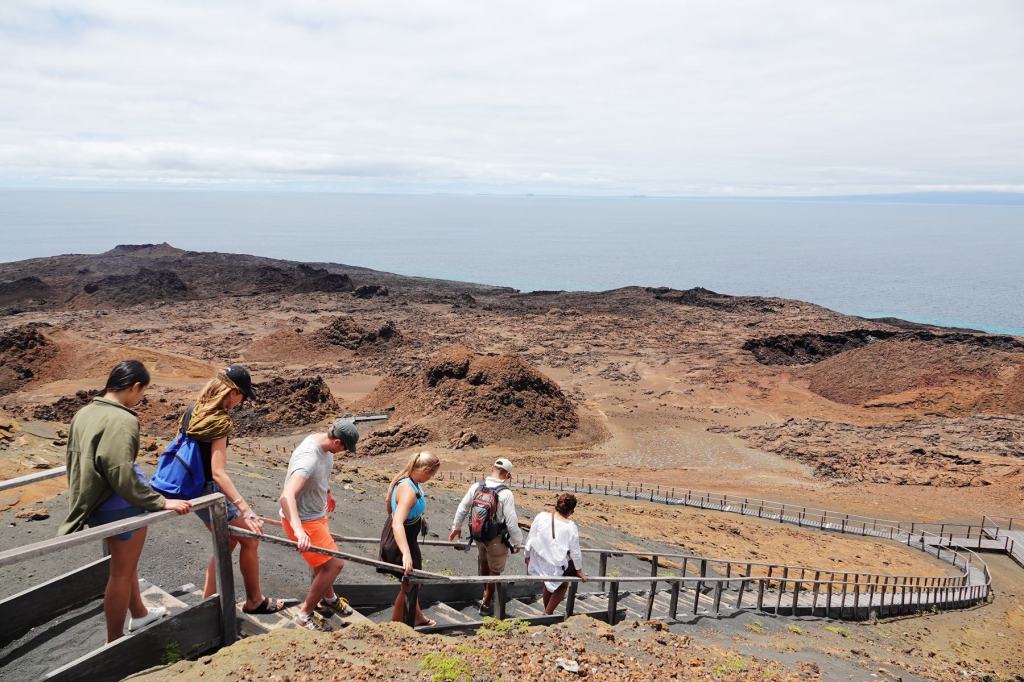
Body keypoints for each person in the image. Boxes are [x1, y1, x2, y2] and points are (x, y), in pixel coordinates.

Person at [59, 360, 192, 642]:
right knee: (120, 574)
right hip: (121, 506)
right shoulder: (123, 419)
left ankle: (140, 613)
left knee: (126, 566)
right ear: (135, 387)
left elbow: (75, 459)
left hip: (96, 502)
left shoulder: (84, 412)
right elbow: (121, 471)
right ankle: (114, 641)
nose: (141, 398)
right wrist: (158, 502)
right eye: (142, 392)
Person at [159, 365, 285, 615]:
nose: (241, 403)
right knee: (250, 537)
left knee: (226, 541)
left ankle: (209, 601)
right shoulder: (220, 421)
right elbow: (218, 472)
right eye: (243, 396)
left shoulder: (194, 410)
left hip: (189, 487)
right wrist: (245, 508)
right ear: (233, 392)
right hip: (207, 490)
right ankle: (254, 600)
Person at [279, 418, 360, 631]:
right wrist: (299, 530)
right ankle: (304, 614)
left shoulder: (322, 442)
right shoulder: (309, 457)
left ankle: (329, 599)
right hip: (305, 521)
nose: (343, 452)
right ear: (337, 442)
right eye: (345, 449)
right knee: (334, 565)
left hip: (316, 515)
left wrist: (327, 492)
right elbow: (286, 496)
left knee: (323, 564)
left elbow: (319, 474)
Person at [448, 457, 524, 615]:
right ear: (507, 475)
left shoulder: (477, 486)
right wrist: (517, 542)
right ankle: (486, 603)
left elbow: (463, 507)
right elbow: (511, 522)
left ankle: (485, 593)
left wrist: (456, 527)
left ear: (492, 469)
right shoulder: (506, 493)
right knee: (495, 571)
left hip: (478, 535)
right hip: (496, 539)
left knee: (484, 563)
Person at [378, 451, 441, 626]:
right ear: (425, 471)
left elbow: (389, 507)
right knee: (410, 584)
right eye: (431, 474)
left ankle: (417, 616)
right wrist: (406, 553)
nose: (431, 478)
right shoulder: (408, 491)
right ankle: (395, 625)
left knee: (413, 582)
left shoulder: (407, 481)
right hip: (400, 541)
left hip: (406, 539)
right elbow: (397, 523)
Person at [524, 493, 587, 615]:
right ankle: (547, 614)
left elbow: (530, 538)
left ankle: (547, 613)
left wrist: (527, 556)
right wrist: (579, 571)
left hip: (538, 561)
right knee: (563, 584)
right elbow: (575, 552)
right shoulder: (570, 526)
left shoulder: (541, 516)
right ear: (571, 511)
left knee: (549, 585)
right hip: (554, 565)